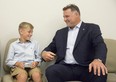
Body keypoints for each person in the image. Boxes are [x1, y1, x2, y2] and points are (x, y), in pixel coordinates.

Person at [41, 4, 108, 82]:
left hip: (86, 67)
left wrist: (98, 60)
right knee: (51, 71)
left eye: (67, 16)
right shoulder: (60, 33)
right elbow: (51, 47)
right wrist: (44, 53)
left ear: (77, 14)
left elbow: (100, 44)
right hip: (65, 67)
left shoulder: (92, 28)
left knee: (100, 72)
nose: (65, 19)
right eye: (64, 17)